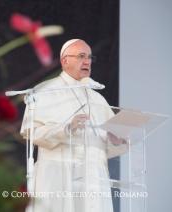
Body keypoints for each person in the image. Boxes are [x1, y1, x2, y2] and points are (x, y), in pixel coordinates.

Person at [20, 39, 129, 212]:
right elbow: (33, 133)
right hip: (59, 175)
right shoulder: (45, 90)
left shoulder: (98, 99)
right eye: (81, 56)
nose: (87, 62)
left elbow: (108, 148)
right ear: (65, 61)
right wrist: (66, 129)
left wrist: (115, 140)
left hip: (95, 179)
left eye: (89, 58)